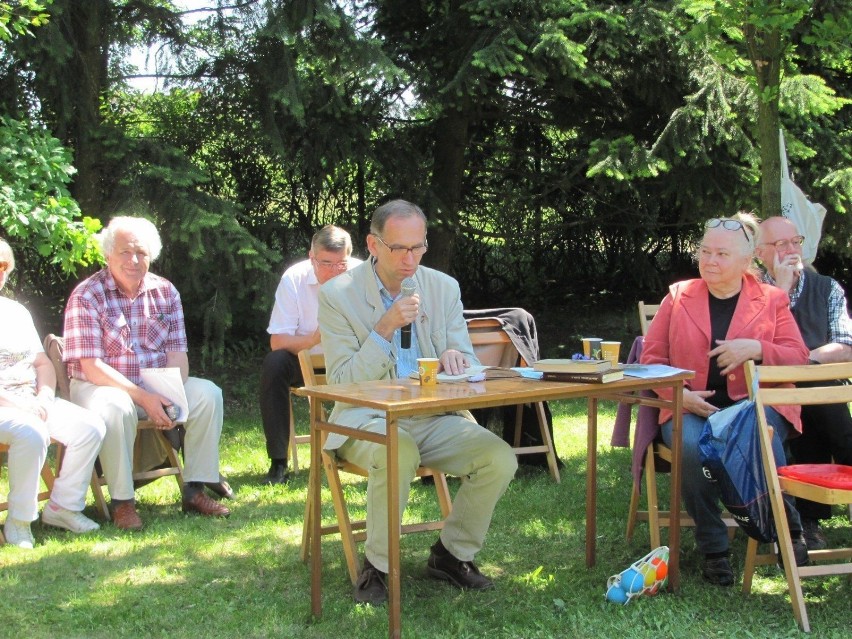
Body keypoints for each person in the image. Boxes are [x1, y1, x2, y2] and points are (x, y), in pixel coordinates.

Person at [318, 199, 517, 605]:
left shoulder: (442, 287)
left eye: (419, 247)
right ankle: (377, 566)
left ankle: (451, 554)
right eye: (399, 249)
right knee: (398, 449)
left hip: (431, 414)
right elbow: (340, 381)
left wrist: (456, 359)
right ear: (373, 245)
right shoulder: (338, 294)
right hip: (364, 418)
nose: (411, 260)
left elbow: (466, 358)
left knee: (499, 458)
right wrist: (386, 327)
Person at [640, 214, 811, 586]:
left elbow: (798, 356)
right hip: (693, 406)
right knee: (691, 447)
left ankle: (786, 525)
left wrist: (758, 348)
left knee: (757, 435)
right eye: (705, 251)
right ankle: (714, 546)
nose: (710, 261)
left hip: (755, 403)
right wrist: (679, 396)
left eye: (721, 253)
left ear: (746, 261)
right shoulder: (679, 296)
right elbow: (650, 361)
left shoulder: (771, 299)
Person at [62, 216, 230, 531]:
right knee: (117, 405)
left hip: (155, 383)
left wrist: (171, 394)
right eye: (125, 252)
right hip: (98, 385)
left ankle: (194, 489)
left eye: (141, 252)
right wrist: (144, 398)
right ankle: (123, 503)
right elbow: (91, 367)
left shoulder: (165, 291)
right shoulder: (87, 295)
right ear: (108, 255)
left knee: (208, 395)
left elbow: (178, 355)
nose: (134, 260)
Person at [0, 238, 105, 548]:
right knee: (32, 433)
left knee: (90, 427)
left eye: (4, 265)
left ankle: (63, 507)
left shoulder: (15, 312)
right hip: (8, 405)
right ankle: (19, 522)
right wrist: (17, 405)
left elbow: (42, 362)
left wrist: (45, 396)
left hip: (31, 399)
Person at [755, 215, 852, 550]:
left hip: (818, 385)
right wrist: (778, 292)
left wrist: (802, 363)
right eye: (781, 244)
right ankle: (805, 519)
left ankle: (808, 519)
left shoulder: (827, 287)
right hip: (765, 392)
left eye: (795, 241)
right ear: (760, 252)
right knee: (807, 405)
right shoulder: (748, 290)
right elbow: (748, 342)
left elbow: (845, 346)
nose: (792, 250)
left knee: (818, 401)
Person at [259, 225, 360, 484]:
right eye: (327, 263)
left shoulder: (363, 275)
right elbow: (278, 340)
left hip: (355, 364)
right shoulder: (295, 278)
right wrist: (313, 339)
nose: (335, 271)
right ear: (311, 257)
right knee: (275, 363)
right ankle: (278, 461)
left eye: (342, 264)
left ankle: (398, 450)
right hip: (307, 364)